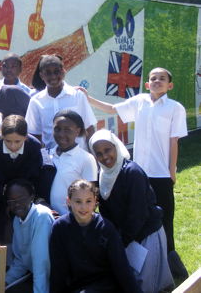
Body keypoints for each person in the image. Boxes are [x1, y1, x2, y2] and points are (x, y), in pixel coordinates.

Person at [81, 67, 188, 279]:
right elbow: (112, 109)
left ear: (170, 85)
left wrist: (171, 171)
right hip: (140, 174)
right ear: (147, 84)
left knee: (164, 220)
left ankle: (169, 261)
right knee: (136, 217)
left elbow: (173, 142)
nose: (157, 81)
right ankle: (139, 261)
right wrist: (87, 98)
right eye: (153, 78)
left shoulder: (175, 108)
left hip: (161, 174)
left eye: (162, 78)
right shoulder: (139, 102)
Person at [89, 129, 173, 293]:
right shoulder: (103, 174)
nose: (105, 157)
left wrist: (120, 242)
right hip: (126, 236)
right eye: (98, 154)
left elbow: (138, 214)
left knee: (144, 284)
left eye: (108, 150)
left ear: (116, 147)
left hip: (146, 234)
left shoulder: (132, 172)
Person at [50, 179, 143, 293]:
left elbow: (122, 268)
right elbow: (58, 271)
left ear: (95, 201)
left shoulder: (106, 228)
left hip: (105, 286)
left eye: (88, 201)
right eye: (78, 201)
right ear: (69, 201)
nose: (83, 207)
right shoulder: (60, 228)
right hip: (76, 286)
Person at [25, 54, 96, 149]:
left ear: (63, 72)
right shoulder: (36, 101)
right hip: (51, 159)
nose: (53, 76)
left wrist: (94, 156)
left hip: (79, 157)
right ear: (41, 75)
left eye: (56, 71)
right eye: (48, 73)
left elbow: (89, 129)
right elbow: (34, 135)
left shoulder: (77, 96)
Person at [5, 179, 54, 293]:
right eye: (12, 201)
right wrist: (5, 282)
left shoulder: (42, 216)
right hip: (35, 275)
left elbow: (41, 263)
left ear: (32, 197)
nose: (16, 204)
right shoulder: (17, 220)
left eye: (21, 199)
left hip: (53, 278)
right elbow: (21, 261)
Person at [46, 110, 97, 215]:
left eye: (67, 130)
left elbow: (89, 196)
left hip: (73, 221)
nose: (61, 134)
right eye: (57, 129)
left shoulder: (86, 159)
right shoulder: (46, 155)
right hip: (48, 219)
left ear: (77, 131)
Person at [0, 115, 42, 188]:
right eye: (8, 141)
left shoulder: (34, 147)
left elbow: (34, 174)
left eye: (17, 141)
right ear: (2, 136)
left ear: (25, 137)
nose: (13, 146)